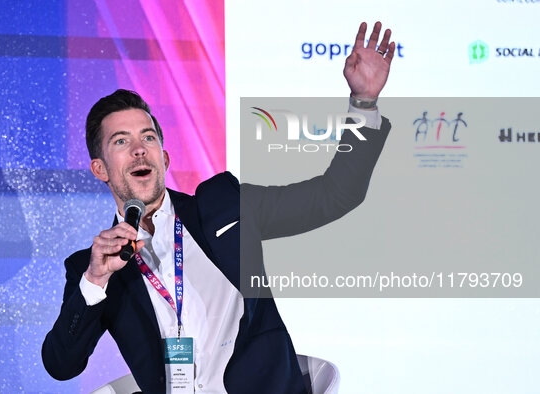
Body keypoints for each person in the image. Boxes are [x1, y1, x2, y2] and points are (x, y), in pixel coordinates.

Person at [42, 21, 395, 393]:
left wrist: (364, 103)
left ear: (164, 157)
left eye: (147, 137)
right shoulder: (95, 267)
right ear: (99, 169)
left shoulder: (225, 206)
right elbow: (61, 365)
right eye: (120, 141)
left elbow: (335, 195)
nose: (139, 148)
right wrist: (97, 280)